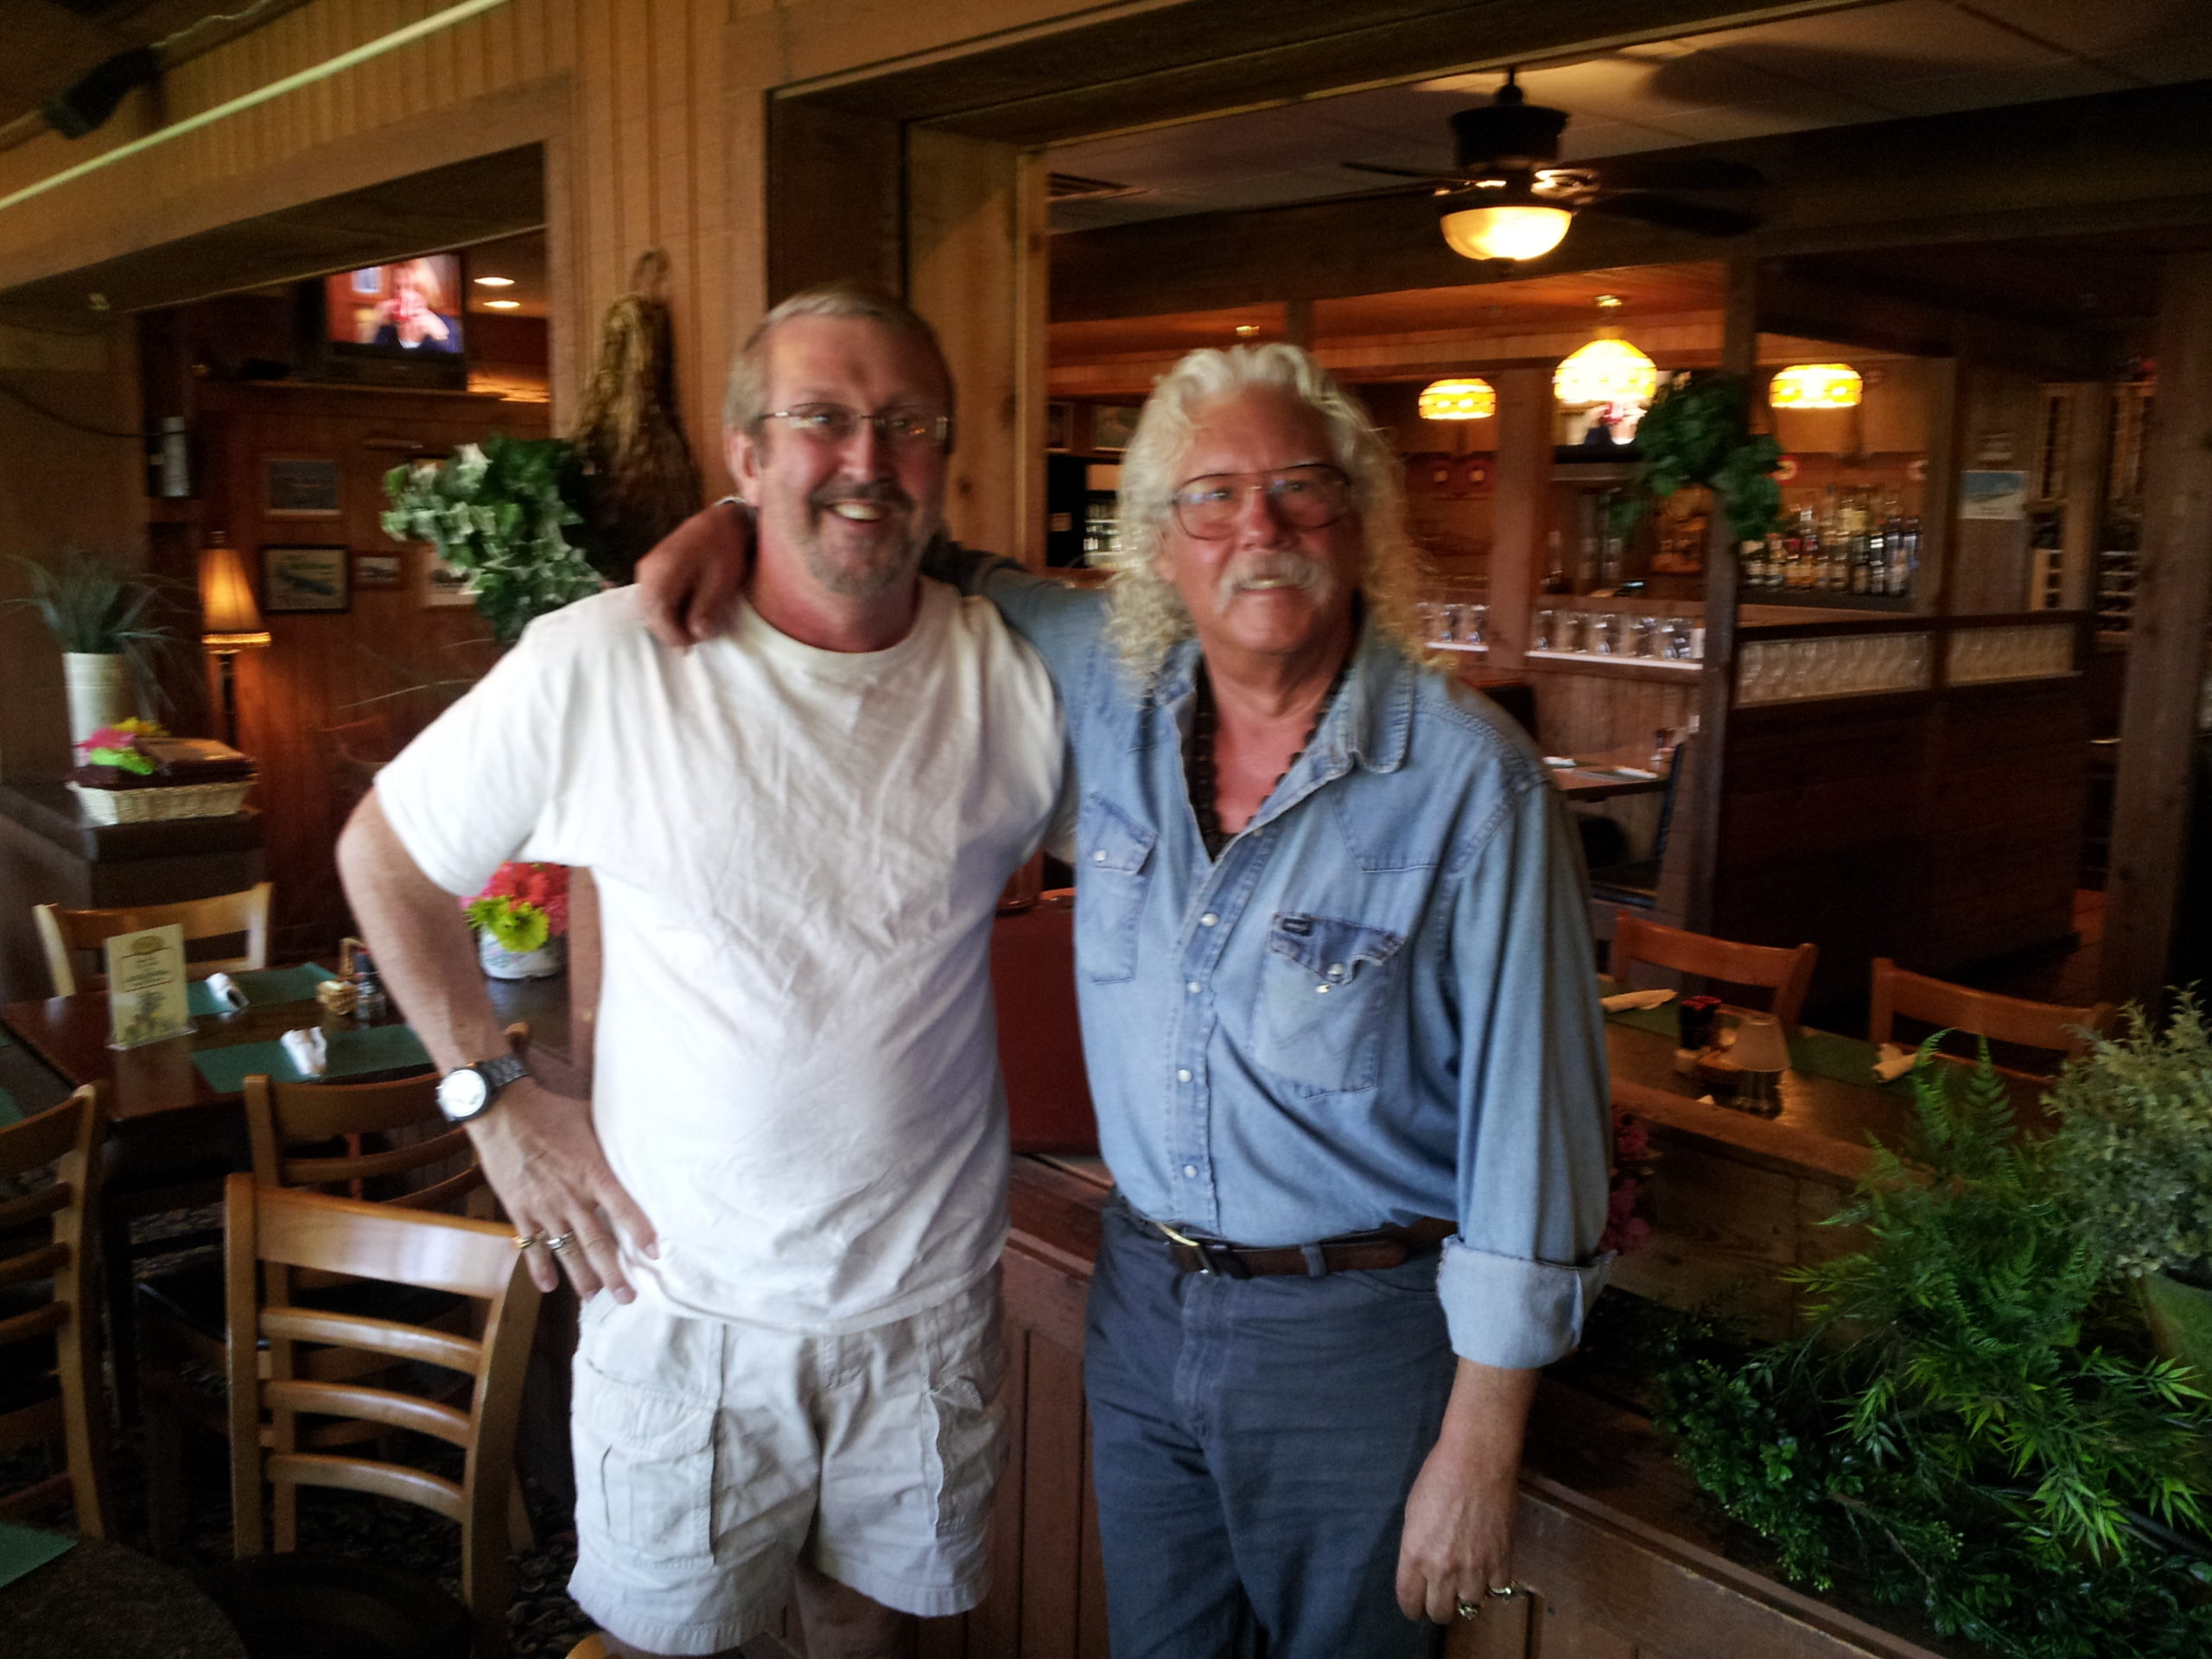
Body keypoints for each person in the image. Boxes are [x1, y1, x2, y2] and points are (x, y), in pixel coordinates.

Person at [636, 342, 1614, 1658]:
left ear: (1360, 520)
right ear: (1157, 542)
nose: (1258, 529)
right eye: (1212, 497)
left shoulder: (1472, 785)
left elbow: (1534, 1136)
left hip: (1357, 1347)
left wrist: (1480, 1443)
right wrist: (736, 517)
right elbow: (923, 554)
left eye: (1301, 489)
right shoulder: (1110, 684)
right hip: (1145, 1303)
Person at [336, 283, 1068, 1659]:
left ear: (946, 454)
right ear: (746, 452)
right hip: (683, 1311)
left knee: (863, 1639)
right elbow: (384, 858)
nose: (867, 457)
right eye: (821, 418)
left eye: (907, 423)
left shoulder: (1013, 681)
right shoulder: (606, 661)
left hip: (924, 1310)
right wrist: (493, 1101)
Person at [370, 257, 461, 353]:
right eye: (397, 287)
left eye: (410, 287)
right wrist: (376, 324)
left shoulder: (445, 324)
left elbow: (454, 357)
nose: (402, 294)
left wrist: (441, 339)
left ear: (425, 291)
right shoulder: (388, 327)